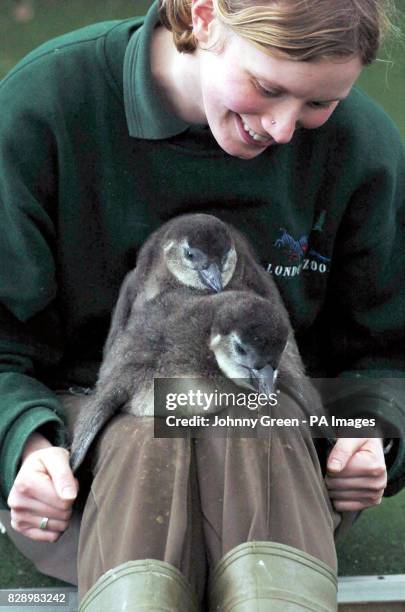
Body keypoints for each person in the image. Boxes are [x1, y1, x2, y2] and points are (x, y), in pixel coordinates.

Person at [0, 0, 404, 609]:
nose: (285, 129)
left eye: (320, 103)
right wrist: (25, 448)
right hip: (86, 464)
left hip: (281, 458)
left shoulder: (362, 145)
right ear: (205, 16)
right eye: (268, 87)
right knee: (161, 416)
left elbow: (385, 353)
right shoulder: (44, 106)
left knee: (242, 414)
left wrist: (370, 433)